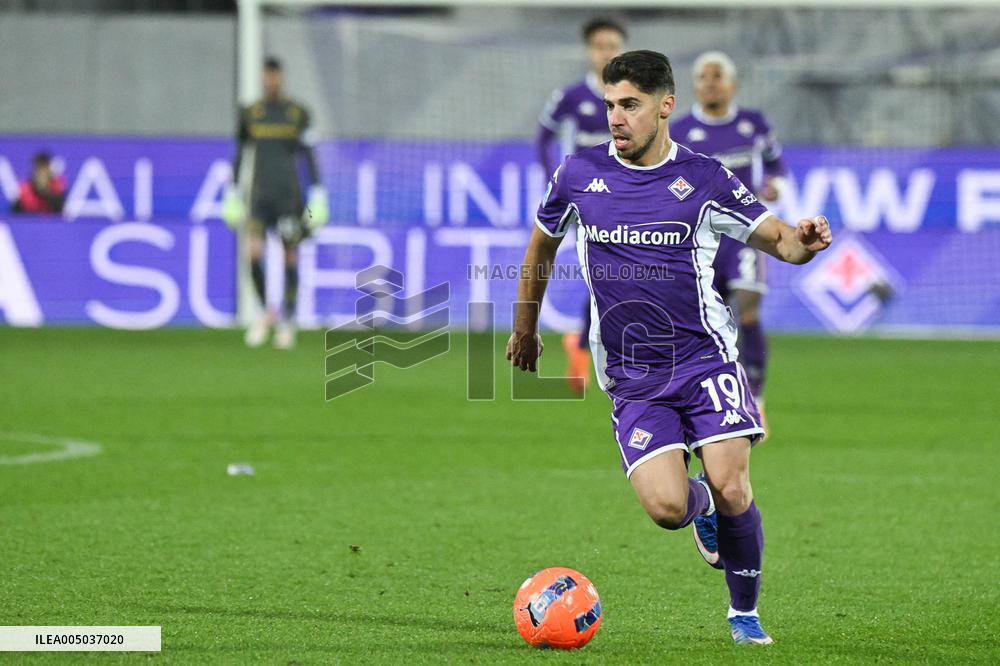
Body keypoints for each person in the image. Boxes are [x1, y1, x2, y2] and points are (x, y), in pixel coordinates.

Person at [507, 50, 832, 645]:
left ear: (664, 106)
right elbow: (540, 251)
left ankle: (743, 614)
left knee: (737, 485)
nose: (616, 118)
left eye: (629, 105)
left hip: (705, 360)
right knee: (664, 507)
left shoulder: (703, 178)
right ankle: (699, 502)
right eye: (610, 105)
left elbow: (779, 239)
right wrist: (524, 328)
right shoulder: (577, 175)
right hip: (634, 378)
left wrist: (804, 241)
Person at [671, 52, 787, 427]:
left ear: (731, 83)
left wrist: (776, 185)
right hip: (698, 239)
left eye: (717, 75)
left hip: (744, 235)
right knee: (696, 320)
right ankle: (703, 397)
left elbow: (775, 162)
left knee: (748, 310)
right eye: (702, 76)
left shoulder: (753, 125)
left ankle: (755, 397)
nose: (709, 82)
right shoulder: (681, 129)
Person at [535, 18, 626, 395]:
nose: (606, 52)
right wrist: (553, 179)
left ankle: (584, 341)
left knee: (614, 272)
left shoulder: (633, 97)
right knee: (604, 270)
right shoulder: (572, 97)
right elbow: (543, 137)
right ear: (589, 51)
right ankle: (590, 346)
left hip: (628, 196)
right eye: (599, 45)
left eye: (612, 45)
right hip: (587, 199)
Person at [223, 56, 329, 349]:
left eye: (275, 76)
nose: (271, 81)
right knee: (253, 253)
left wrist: (317, 193)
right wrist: (232, 191)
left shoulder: (298, 114)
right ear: (262, 79)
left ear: (281, 78)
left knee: (289, 256)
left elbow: (308, 155)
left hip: (289, 198)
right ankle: (265, 313)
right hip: (258, 196)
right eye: (267, 77)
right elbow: (241, 152)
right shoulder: (251, 114)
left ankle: (287, 321)